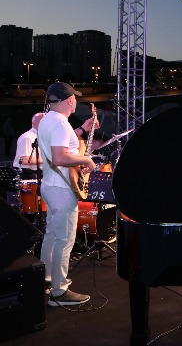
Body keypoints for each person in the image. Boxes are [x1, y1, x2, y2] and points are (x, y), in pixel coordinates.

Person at [37, 82, 99, 307]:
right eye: (74, 99)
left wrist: (82, 129)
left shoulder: (48, 119)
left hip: (51, 186)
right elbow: (60, 158)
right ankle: (60, 291)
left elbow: (60, 143)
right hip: (62, 190)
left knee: (52, 235)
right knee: (64, 240)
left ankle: (45, 279)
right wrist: (86, 160)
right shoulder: (60, 123)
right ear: (69, 100)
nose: (75, 102)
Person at [13, 112, 45, 180]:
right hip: (29, 176)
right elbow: (25, 160)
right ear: (33, 123)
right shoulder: (28, 137)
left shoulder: (42, 137)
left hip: (40, 174)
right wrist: (50, 160)